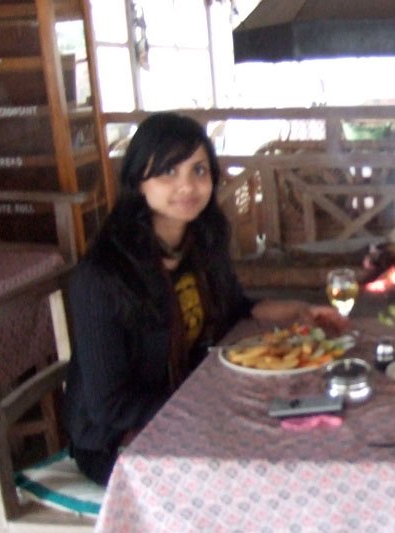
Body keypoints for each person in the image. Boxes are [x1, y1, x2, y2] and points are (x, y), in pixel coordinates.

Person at [63, 113, 346, 485]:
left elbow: (234, 308)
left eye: (198, 170)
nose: (188, 186)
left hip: (186, 405)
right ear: (138, 181)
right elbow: (109, 407)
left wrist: (298, 310)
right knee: (250, 473)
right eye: (168, 172)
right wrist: (207, 405)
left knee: (296, 434)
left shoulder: (199, 244)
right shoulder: (103, 276)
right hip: (117, 444)